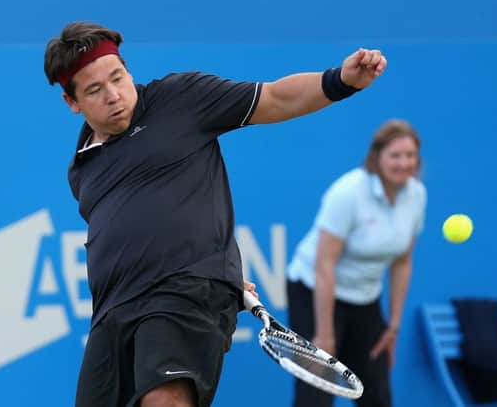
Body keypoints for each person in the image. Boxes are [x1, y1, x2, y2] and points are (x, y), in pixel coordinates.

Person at [43, 21, 387, 407]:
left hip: (183, 292)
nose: (114, 95)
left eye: (118, 78)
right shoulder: (82, 170)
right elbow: (134, 231)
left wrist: (341, 80)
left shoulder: (180, 98)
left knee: (165, 402)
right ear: (72, 103)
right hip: (113, 312)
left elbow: (275, 98)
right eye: (94, 90)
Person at [286, 119, 427, 407]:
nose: (404, 163)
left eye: (410, 155)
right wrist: (324, 335)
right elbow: (324, 264)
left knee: (375, 392)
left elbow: (402, 261)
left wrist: (394, 325)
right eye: (395, 155)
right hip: (314, 292)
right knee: (316, 392)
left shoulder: (416, 194)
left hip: (365, 299)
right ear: (377, 157)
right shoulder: (348, 192)